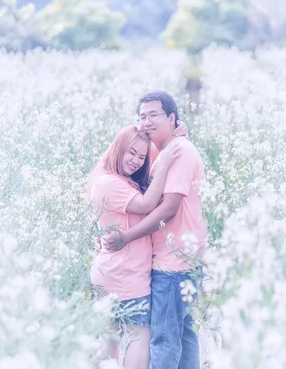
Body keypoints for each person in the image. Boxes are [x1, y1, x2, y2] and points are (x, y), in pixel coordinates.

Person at [103, 90, 208, 369]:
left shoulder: (180, 152)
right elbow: (128, 148)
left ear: (172, 117)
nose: (146, 121)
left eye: (154, 115)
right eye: (142, 117)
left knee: (163, 340)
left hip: (173, 263)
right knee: (184, 335)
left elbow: (168, 207)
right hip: (181, 258)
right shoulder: (165, 149)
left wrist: (126, 237)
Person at [86, 125, 183, 369]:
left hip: (116, 271)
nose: (137, 161)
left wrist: (177, 133)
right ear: (118, 148)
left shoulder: (115, 180)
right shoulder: (109, 183)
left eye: (142, 157)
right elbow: (147, 203)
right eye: (131, 153)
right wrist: (162, 166)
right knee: (137, 337)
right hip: (125, 274)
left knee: (109, 340)